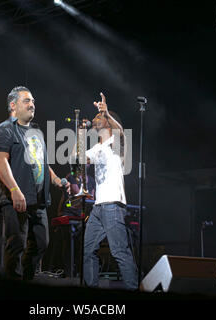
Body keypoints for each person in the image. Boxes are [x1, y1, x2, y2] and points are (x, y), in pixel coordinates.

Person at [0, 86, 70, 280]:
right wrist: (14, 190)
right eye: (27, 101)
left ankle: (25, 279)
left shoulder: (36, 132)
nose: (32, 104)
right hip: (16, 197)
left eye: (33, 101)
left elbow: (42, 162)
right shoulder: (5, 130)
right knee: (17, 243)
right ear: (13, 105)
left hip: (38, 199)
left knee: (41, 243)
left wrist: (56, 179)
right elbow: (0, 161)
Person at [82, 92, 138, 290]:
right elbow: (77, 158)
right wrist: (80, 133)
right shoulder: (97, 147)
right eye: (96, 116)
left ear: (108, 122)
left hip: (113, 205)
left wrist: (107, 112)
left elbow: (121, 132)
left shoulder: (116, 143)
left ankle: (132, 289)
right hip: (98, 207)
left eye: (99, 116)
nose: (95, 118)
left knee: (119, 251)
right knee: (88, 250)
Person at [54, 169, 95, 277]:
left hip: (82, 213)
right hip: (69, 209)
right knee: (68, 244)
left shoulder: (91, 180)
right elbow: (77, 196)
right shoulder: (71, 177)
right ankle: (68, 273)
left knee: (83, 243)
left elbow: (91, 199)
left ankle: (81, 272)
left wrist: (86, 199)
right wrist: (85, 199)